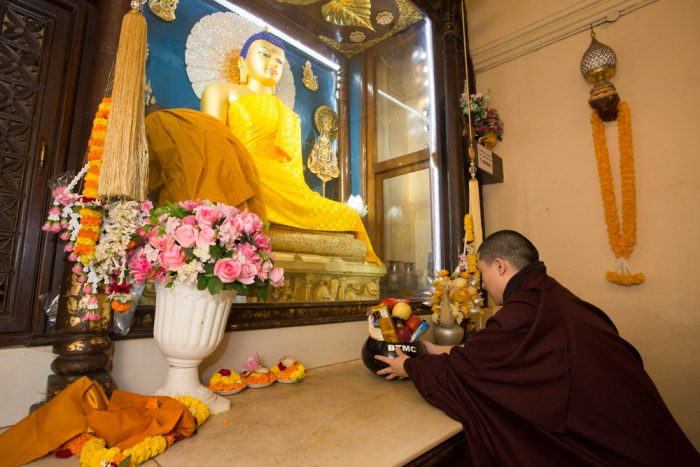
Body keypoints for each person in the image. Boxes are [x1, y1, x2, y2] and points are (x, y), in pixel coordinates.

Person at [376, 230, 699, 466]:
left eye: (483, 273)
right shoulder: (557, 298)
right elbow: (491, 355)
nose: (483, 284)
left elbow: (473, 371)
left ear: (500, 266)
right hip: (650, 442)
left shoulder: (524, 310)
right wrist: (435, 350)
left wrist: (411, 367)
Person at [146, 32, 380, 264]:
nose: (273, 63)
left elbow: (294, 175)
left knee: (348, 215)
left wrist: (303, 196)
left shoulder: (291, 116)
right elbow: (212, 144)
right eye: (265, 54)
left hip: (287, 189)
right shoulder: (222, 92)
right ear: (242, 63)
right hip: (244, 173)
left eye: (279, 60)